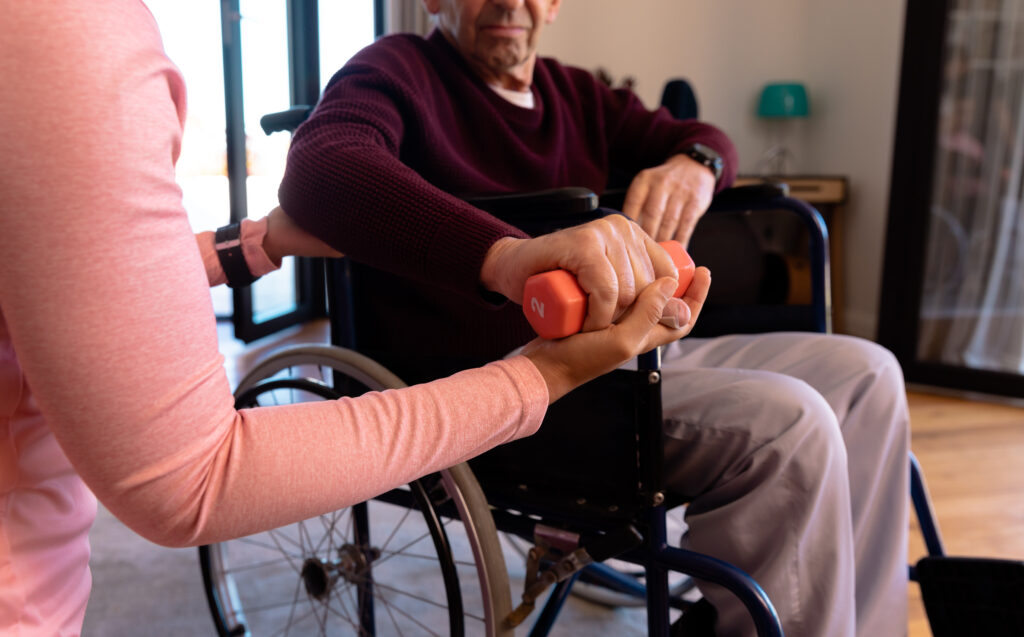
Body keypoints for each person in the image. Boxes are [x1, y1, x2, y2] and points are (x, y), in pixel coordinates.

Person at [0, 1, 707, 634]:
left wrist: (699, 163)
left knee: (785, 376)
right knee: (771, 425)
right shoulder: (65, 33)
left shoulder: (576, 91)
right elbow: (193, 478)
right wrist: (528, 348)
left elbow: (77, 276)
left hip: (619, 351)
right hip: (514, 365)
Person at [276, 0, 911, 635]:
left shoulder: (576, 93)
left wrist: (699, 165)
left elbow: (702, 136)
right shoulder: (397, 69)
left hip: (632, 348)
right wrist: (504, 257)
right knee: (787, 425)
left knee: (869, 373)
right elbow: (320, 167)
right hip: (515, 380)